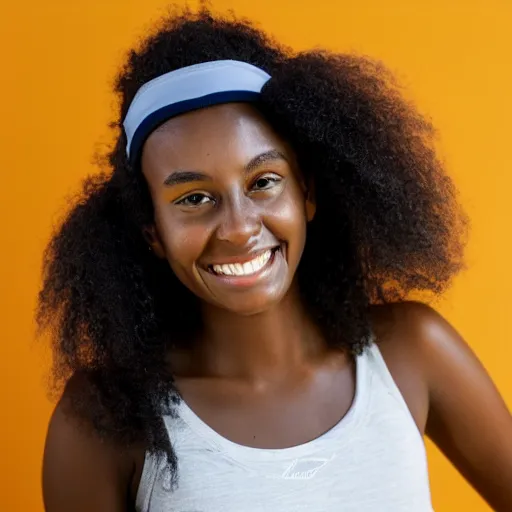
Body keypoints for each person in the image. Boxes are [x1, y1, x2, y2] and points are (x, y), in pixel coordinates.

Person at [38, 7, 512, 512]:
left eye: (263, 182)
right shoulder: (106, 420)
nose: (240, 227)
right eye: (194, 198)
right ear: (152, 233)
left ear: (306, 193)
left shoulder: (413, 353)